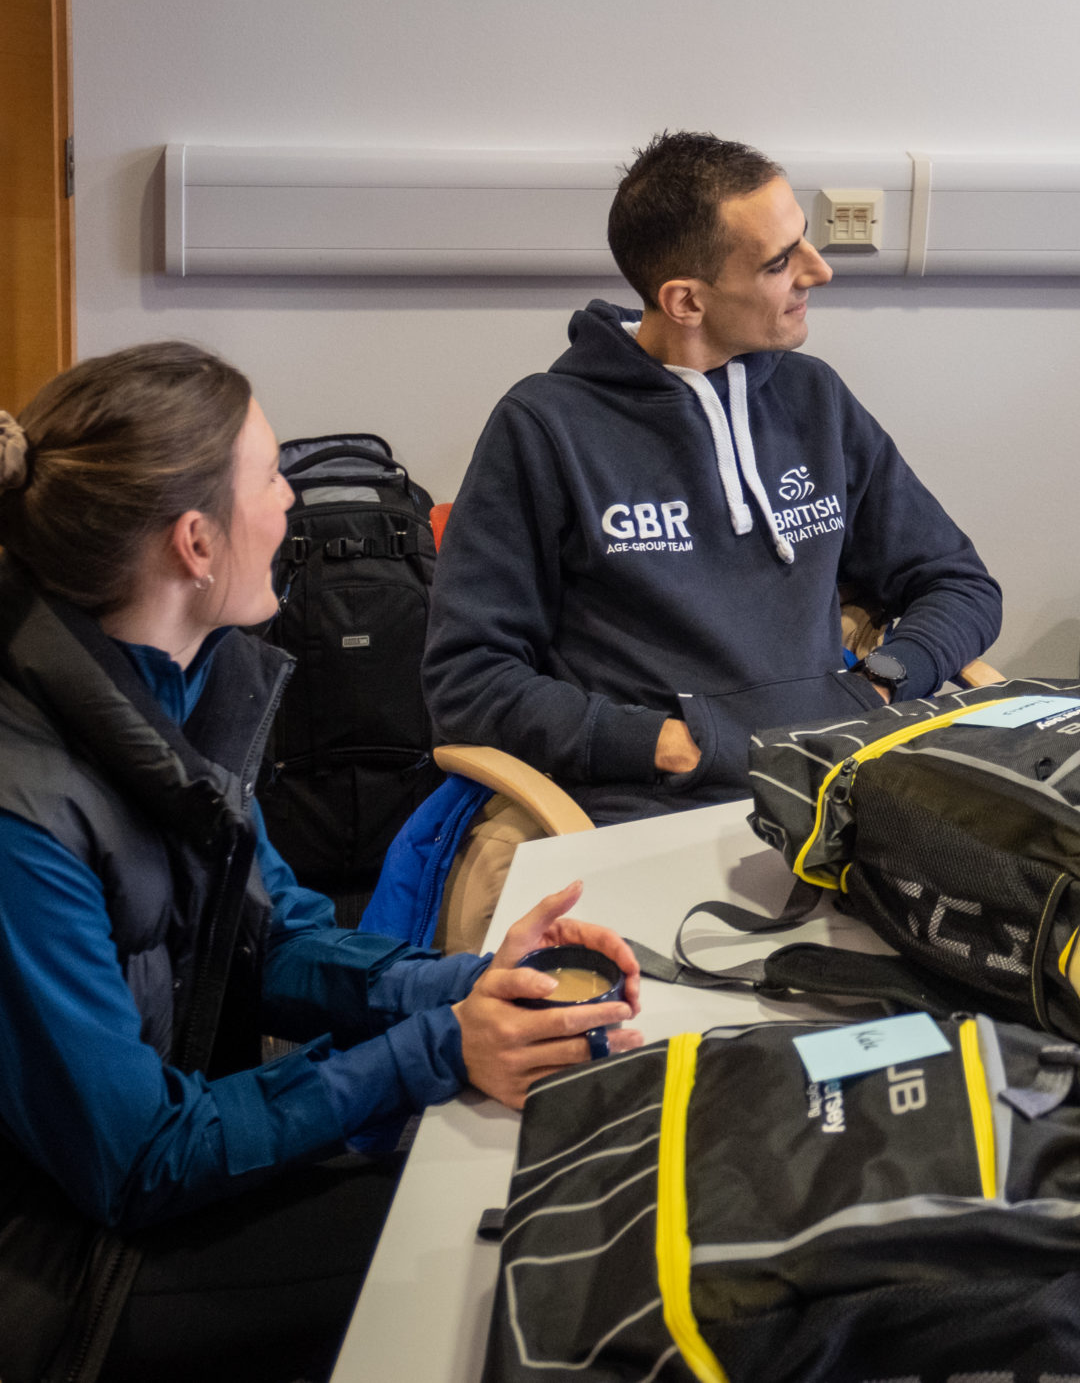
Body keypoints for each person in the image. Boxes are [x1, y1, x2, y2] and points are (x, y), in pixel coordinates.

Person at [0, 342, 647, 1383]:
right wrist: (441, 1047)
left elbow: (273, 940)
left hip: (152, 1172)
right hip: (63, 1271)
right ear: (195, 544)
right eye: (270, 475)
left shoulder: (175, 692)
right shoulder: (21, 820)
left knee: (543, 1189)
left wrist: (474, 985)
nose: (290, 499)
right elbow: (139, 1161)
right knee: (528, 1253)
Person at [423, 131, 1001, 823]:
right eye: (780, 261)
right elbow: (468, 679)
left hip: (841, 788)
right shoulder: (544, 426)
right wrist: (672, 746)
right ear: (686, 302)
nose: (818, 271)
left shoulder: (814, 398)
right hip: (654, 807)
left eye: (805, 239)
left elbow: (960, 583)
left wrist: (882, 680)